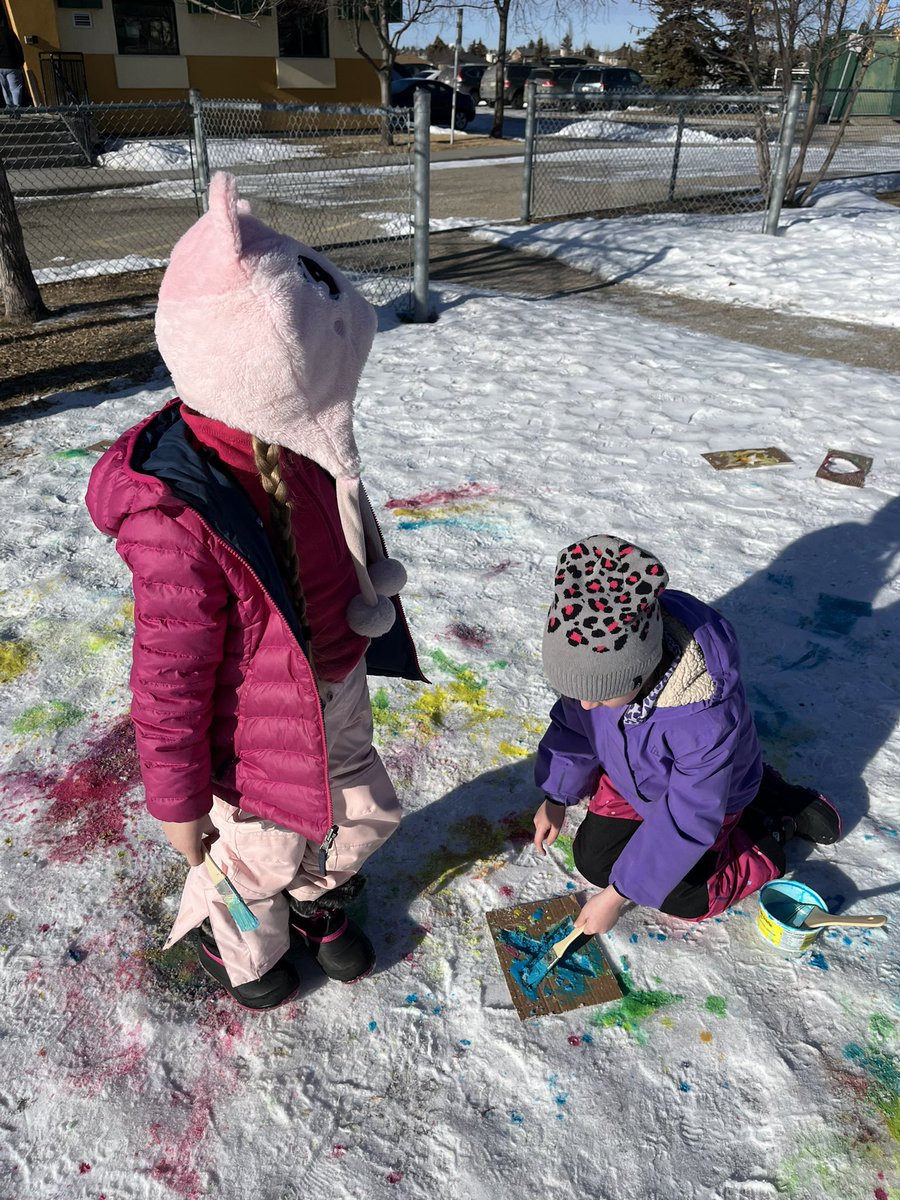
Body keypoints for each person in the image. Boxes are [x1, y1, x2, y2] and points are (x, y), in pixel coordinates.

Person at [86, 172, 422, 1010]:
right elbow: (168, 675)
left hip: (337, 682)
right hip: (254, 733)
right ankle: (242, 944)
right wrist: (178, 801)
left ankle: (316, 900)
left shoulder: (296, 434)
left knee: (362, 809)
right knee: (254, 856)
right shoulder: (177, 519)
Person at [532, 535, 841, 936]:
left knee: (684, 897)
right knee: (594, 863)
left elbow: (688, 816)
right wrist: (556, 795)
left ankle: (767, 829)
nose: (586, 705)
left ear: (640, 670)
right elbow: (574, 727)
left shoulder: (702, 717)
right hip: (632, 781)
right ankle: (759, 790)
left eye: (600, 695)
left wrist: (617, 897)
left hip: (706, 799)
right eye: (578, 693)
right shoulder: (597, 668)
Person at [0, 16, 26, 108]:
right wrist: (21, 62)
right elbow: (18, 48)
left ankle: (9, 108)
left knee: (5, 89)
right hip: (12, 64)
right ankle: (17, 108)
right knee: (15, 89)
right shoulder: (9, 32)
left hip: (0, 66)